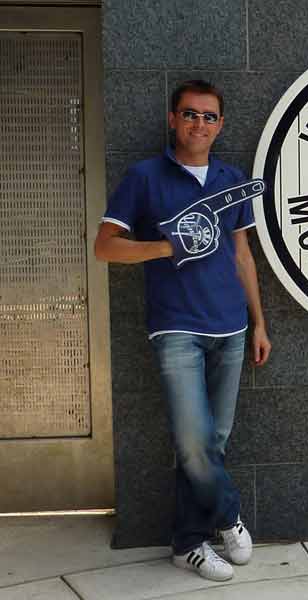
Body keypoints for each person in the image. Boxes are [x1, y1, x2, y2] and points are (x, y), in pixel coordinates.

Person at [95, 80, 271, 582]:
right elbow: (105, 247)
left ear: (221, 125)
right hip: (175, 328)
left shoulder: (231, 178)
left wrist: (258, 322)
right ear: (172, 119)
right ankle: (228, 515)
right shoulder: (145, 177)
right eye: (190, 115)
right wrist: (166, 246)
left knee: (213, 439)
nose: (199, 124)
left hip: (231, 326)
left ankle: (187, 544)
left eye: (209, 117)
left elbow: (242, 255)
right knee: (194, 442)